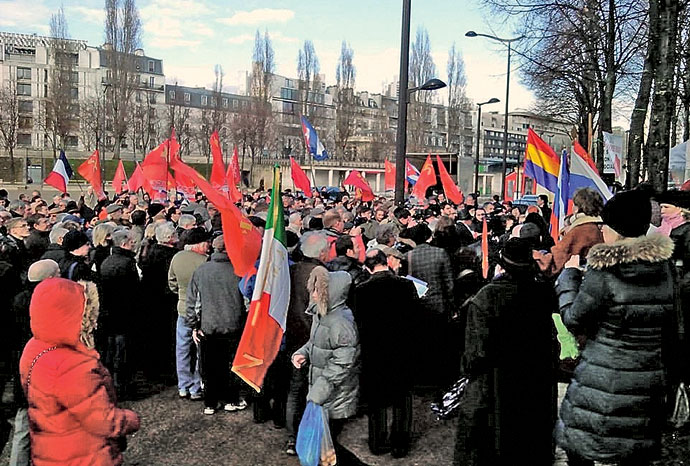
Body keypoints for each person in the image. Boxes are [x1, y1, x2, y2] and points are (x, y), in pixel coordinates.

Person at [555, 190, 676, 466]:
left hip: (602, 383)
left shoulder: (605, 271)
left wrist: (569, 279)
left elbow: (574, 319)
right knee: (634, 454)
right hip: (647, 382)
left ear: (616, 230)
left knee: (584, 448)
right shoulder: (665, 268)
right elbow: (672, 328)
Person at [454, 237, 557, 466]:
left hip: (495, 389)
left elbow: (475, 354)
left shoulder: (487, 297)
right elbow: (552, 342)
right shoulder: (543, 293)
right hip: (534, 386)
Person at [20, 278, 140, 465]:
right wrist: (130, 419)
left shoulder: (35, 347)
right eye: (89, 316)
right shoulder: (72, 364)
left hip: (50, 449)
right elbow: (102, 420)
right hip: (84, 455)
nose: (96, 323)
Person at [292, 267, 366, 466]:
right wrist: (302, 353)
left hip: (334, 394)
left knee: (330, 444)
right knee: (327, 444)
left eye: (317, 289)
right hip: (323, 392)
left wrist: (318, 392)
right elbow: (316, 342)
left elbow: (342, 363)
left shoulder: (341, 324)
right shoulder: (322, 314)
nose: (312, 293)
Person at [354, 249, 418, 458]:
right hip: (402, 348)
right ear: (387, 262)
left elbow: (358, 322)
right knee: (402, 399)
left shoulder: (361, 290)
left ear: (367, 267)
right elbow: (415, 317)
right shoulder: (406, 285)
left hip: (374, 350)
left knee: (377, 399)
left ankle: (377, 441)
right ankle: (400, 444)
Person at [186, 236, 247, 415]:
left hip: (208, 326)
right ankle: (231, 399)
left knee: (209, 366)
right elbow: (246, 301)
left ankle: (210, 403)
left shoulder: (201, 271)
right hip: (233, 326)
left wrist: (194, 325)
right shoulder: (238, 271)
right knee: (231, 365)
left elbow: (194, 302)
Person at [9, 260, 61, 466]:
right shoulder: (50, 301)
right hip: (44, 367)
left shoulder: (18, 299)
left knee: (23, 426)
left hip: (21, 367)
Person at [99, 229, 141, 399]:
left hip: (112, 313)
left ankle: (116, 384)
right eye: (132, 242)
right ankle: (122, 386)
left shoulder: (107, 261)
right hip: (124, 313)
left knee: (113, 351)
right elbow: (133, 290)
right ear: (124, 244)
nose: (134, 244)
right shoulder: (126, 263)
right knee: (122, 352)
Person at [168, 227, 209, 400]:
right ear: (199, 244)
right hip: (202, 312)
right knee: (200, 350)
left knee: (182, 348)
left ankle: (183, 385)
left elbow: (172, 282)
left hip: (183, 308)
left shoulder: (176, 258)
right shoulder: (205, 262)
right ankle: (196, 385)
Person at [534, 187, 605, 277]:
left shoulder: (581, 229)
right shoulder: (598, 226)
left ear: (578, 207)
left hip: (577, 279)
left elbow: (557, 259)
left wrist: (536, 255)